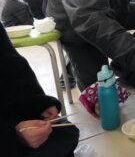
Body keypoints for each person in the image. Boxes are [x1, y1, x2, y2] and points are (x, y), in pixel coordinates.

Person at [0, 22, 79, 157]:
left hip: (12, 119)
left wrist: (40, 105)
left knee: (64, 132)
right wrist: (13, 137)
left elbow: (13, 68)